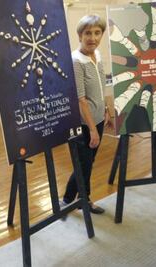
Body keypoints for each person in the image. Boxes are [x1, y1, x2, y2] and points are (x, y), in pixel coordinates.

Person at [61, 15, 113, 214]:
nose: (93, 37)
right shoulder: (76, 61)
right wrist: (92, 129)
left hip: (98, 118)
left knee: (87, 162)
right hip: (84, 123)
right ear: (80, 35)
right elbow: (80, 99)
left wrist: (106, 109)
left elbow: (102, 85)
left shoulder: (97, 55)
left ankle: (67, 199)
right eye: (88, 33)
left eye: (97, 32)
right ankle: (85, 199)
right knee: (84, 164)